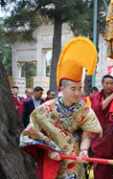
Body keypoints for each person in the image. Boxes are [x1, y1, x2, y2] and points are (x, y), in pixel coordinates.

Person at [19, 37, 103, 179]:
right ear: (61, 88)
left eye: (80, 88)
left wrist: (83, 150)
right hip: (53, 161)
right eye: (73, 89)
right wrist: (49, 151)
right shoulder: (44, 110)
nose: (78, 93)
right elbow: (29, 136)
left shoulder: (84, 109)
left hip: (75, 162)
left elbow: (88, 133)